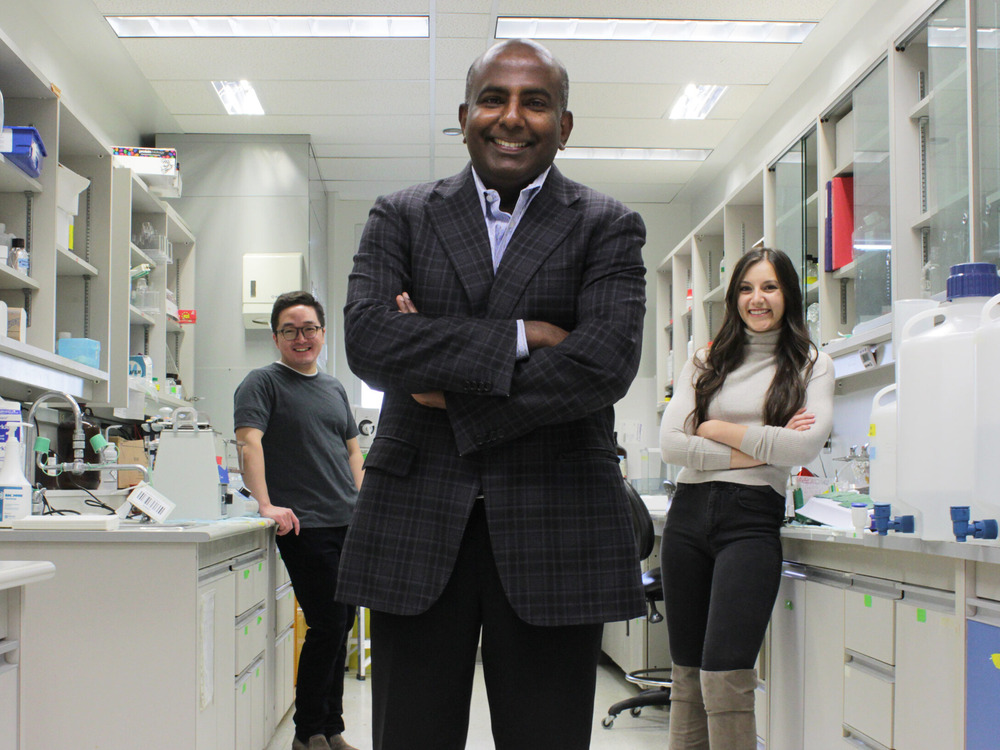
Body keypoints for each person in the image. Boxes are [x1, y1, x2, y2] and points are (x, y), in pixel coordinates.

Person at [336, 38, 648, 750]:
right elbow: (372, 341)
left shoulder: (606, 225)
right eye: (494, 99)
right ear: (465, 115)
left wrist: (445, 388)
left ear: (564, 124)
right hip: (417, 517)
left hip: (557, 520)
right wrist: (523, 336)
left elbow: (603, 365)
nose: (512, 117)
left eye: (535, 101)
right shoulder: (402, 214)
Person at [659, 248, 834, 749]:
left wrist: (713, 427)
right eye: (746, 288)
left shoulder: (810, 364)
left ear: (788, 296)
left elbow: (803, 445)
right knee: (687, 675)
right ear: (734, 296)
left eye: (770, 287)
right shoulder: (704, 361)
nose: (757, 299)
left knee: (726, 673)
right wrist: (761, 447)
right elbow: (672, 445)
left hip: (750, 523)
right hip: (688, 519)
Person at [234, 291, 364, 750]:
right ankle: (307, 732)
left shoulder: (333, 388)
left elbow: (351, 449)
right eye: (290, 330)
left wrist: (363, 500)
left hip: (346, 521)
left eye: (309, 328)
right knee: (328, 623)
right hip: (303, 524)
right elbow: (250, 443)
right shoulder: (262, 382)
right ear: (276, 338)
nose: (301, 337)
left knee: (341, 623)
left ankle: (332, 729)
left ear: (323, 334)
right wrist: (265, 503)